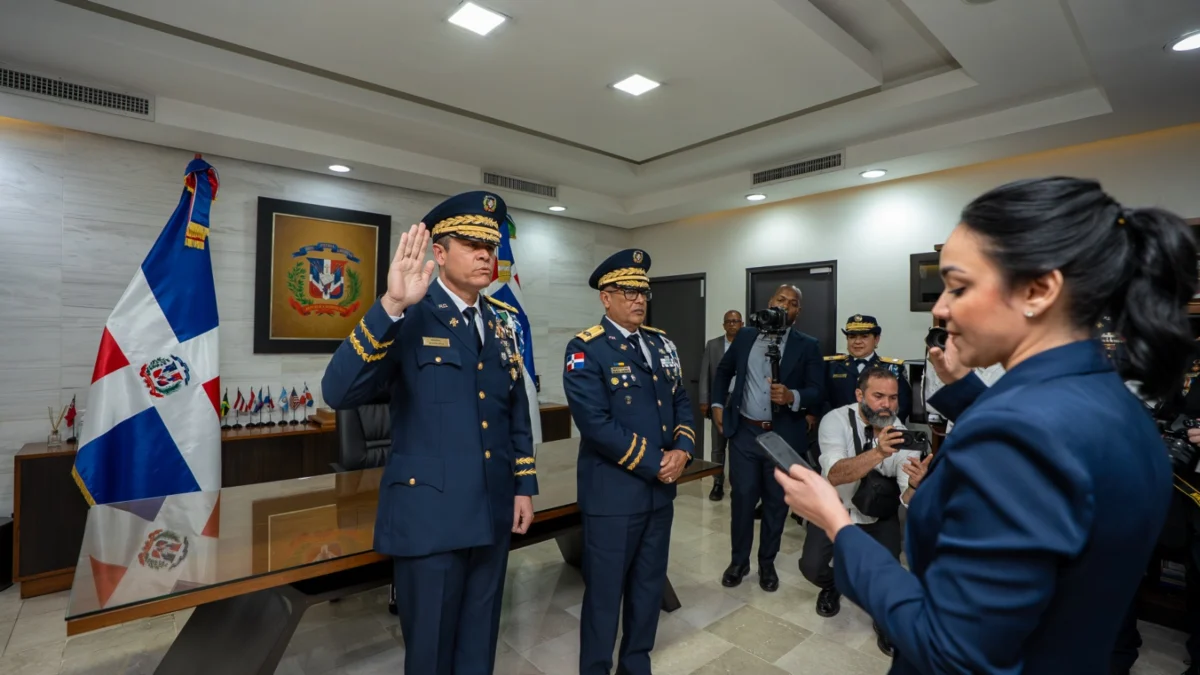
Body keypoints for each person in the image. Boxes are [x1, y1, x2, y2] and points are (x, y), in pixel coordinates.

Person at [774, 176, 1197, 673]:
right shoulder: (1113, 402)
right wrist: (960, 389)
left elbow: (949, 648)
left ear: (1038, 290)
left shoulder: (1015, 436)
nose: (939, 307)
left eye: (960, 286)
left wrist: (838, 524)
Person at [321, 191, 538, 675]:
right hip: (431, 518)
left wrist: (524, 485)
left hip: (492, 510)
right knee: (431, 655)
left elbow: (514, 412)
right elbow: (337, 391)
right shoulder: (409, 314)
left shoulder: (501, 324)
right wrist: (391, 304)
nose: (488, 254)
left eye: (492, 244)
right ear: (438, 253)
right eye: (472, 244)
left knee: (479, 647)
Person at [562, 248, 695, 675]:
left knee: (648, 585)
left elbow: (681, 401)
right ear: (606, 297)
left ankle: (636, 664)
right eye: (628, 291)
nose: (639, 299)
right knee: (604, 593)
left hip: (659, 494)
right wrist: (656, 460)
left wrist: (683, 450)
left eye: (643, 291)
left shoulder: (661, 343)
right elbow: (596, 424)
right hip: (614, 495)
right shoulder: (586, 349)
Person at [801, 366, 928, 657]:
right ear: (859, 395)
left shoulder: (901, 433)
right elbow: (834, 473)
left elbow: (905, 496)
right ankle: (834, 585)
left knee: (888, 577)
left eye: (893, 398)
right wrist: (879, 453)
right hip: (835, 507)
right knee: (811, 567)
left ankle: (883, 619)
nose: (887, 405)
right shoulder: (835, 421)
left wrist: (916, 485)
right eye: (878, 396)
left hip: (878, 513)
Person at [711, 284, 822, 592]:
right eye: (780, 300)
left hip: (783, 438)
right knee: (742, 499)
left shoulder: (808, 345)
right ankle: (739, 561)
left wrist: (793, 396)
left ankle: (766, 563)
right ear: (770, 303)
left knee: (775, 504)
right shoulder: (746, 336)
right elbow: (723, 371)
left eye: (792, 303)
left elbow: (818, 390)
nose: (784, 306)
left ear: (798, 312)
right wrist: (718, 404)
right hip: (745, 433)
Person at [823, 315, 912, 423]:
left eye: (864, 337)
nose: (857, 342)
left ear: (876, 339)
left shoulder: (891, 368)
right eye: (852, 337)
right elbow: (823, 400)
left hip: (881, 428)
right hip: (839, 427)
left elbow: (903, 404)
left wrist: (882, 424)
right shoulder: (832, 366)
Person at [699, 309, 742, 501]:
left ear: (741, 324)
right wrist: (704, 400)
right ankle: (717, 483)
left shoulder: (748, 344)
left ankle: (736, 484)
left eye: (736, 321)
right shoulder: (713, 345)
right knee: (717, 445)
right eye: (729, 321)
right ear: (724, 325)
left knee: (738, 445)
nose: (732, 324)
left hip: (741, 401)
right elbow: (705, 374)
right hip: (719, 401)